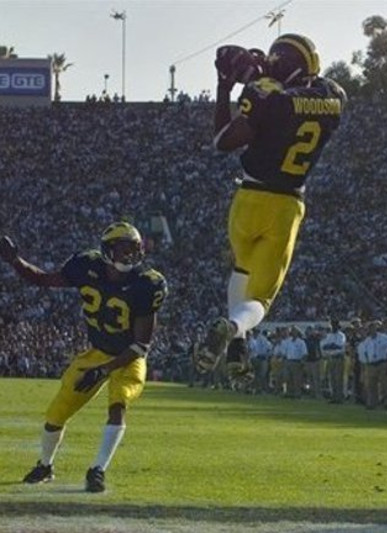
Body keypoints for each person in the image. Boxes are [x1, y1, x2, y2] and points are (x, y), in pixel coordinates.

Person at [195, 34, 347, 376]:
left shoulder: (265, 95)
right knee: (260, 298)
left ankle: (237, 344)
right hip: (286, 206)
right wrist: (267, 76)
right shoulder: (334, 97)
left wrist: (226, 87)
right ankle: (234, 330)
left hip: (247, 200)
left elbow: (223, 141)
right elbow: (302, 95)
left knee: (241, 271)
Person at [0, 222, 167, 493]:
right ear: (107, 251)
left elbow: (141, 345)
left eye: (134, 249)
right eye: (124, 249)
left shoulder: (147, 283)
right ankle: (45, 465)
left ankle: (97, 470)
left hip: (128, 357)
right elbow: (41, 279)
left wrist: (104, 370)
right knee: (56, 413)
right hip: (96, 353)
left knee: (118, 404)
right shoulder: (86, 266)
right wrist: (14, 260)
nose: (130, 255)